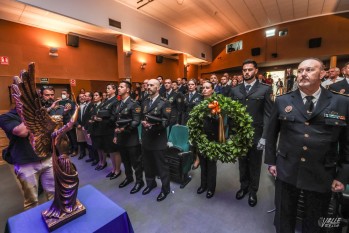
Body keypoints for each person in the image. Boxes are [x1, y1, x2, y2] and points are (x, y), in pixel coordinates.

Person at [265, 58, 349, 233]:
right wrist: (271, 161)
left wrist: (342, 175)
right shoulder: (283, 100)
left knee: (315, 220)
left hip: (321, 172)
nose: (303, 74)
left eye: (309, 70)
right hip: (287, 168)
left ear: (322, 74)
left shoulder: (341, 103)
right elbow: (271, 134)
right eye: (300, 70)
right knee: (283, 216)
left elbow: (346, 142)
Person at [230, 59, 273, 207]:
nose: (246, 72)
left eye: (249, 69)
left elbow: (268, 114)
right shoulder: (235, 90)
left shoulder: (265, 89)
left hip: (257, 134)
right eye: (244, 70)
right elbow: (231, 113)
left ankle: (253, 191)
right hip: (240, 135)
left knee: (254, 164)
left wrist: (265, 137)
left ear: (255, 71)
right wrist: (231, 134)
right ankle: (244, 187)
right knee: (242, 163)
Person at [0, 108, 54, 209]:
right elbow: (22, 132)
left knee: (53, 192)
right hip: (26, 164)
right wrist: (32, 113)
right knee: (32, 200)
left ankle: (55, 215)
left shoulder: (38, 112)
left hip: (46, 158)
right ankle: (33, 223)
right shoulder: (6, 117)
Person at [141, 79, 171, 202]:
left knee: (161, 166)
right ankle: (150, 183)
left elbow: (166, 121)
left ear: (158, 88)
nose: (148, 87)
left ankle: (165, 189)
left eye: (152, 85)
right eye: (148, 85)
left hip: (158, 138)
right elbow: (143, 116)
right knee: (147, 164)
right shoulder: (145, 101)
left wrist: (152, 125)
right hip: (146, 137)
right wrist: (143, 123)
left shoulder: (164, 102)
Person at [112, 81, 144, 194]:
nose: (118, 88)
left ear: (128, 89)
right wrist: (116, 135)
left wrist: (123, 129)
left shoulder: (134, 103)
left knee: (135, 162)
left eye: (121, 87)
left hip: (131, 138)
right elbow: (117, 121)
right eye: (118, 87)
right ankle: (129, 177)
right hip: (121, 138)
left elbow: (136, 121)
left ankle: (139, 181)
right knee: (125, 161)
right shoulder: (118, 103)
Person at [91, 84, 121, 180]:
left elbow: (114, 117)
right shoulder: (106, 100)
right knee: (110, 151)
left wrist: (101, 120)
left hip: (111, 129)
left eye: (109, 88)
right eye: (106, 88)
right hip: (105, 129)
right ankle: (113, 169)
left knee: (115, 151)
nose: (107, 90)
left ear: (114, 90)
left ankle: (117, 170)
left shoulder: (116, 101)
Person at [196, 81, 218, 199]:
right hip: (201, 136)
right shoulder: (198, 102)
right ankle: (203, 185)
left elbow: (217, 120)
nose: (204, 89)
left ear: (212, 90)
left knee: (211, 164)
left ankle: (211, 188)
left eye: (207, 88)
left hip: (212, 137)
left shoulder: (216, 103)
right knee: (203, 163)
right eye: (203, 88)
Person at [182, 79, 203, 169]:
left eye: (192, 84)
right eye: (189, 84)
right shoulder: (185, 96)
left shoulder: (200, 96)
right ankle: (189, 159)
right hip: (186, 120)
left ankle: (197, 160)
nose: (190, 86)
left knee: (196, 141)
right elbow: (182, 110)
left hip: (196, 120)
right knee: (188, 140)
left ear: (195, 85)